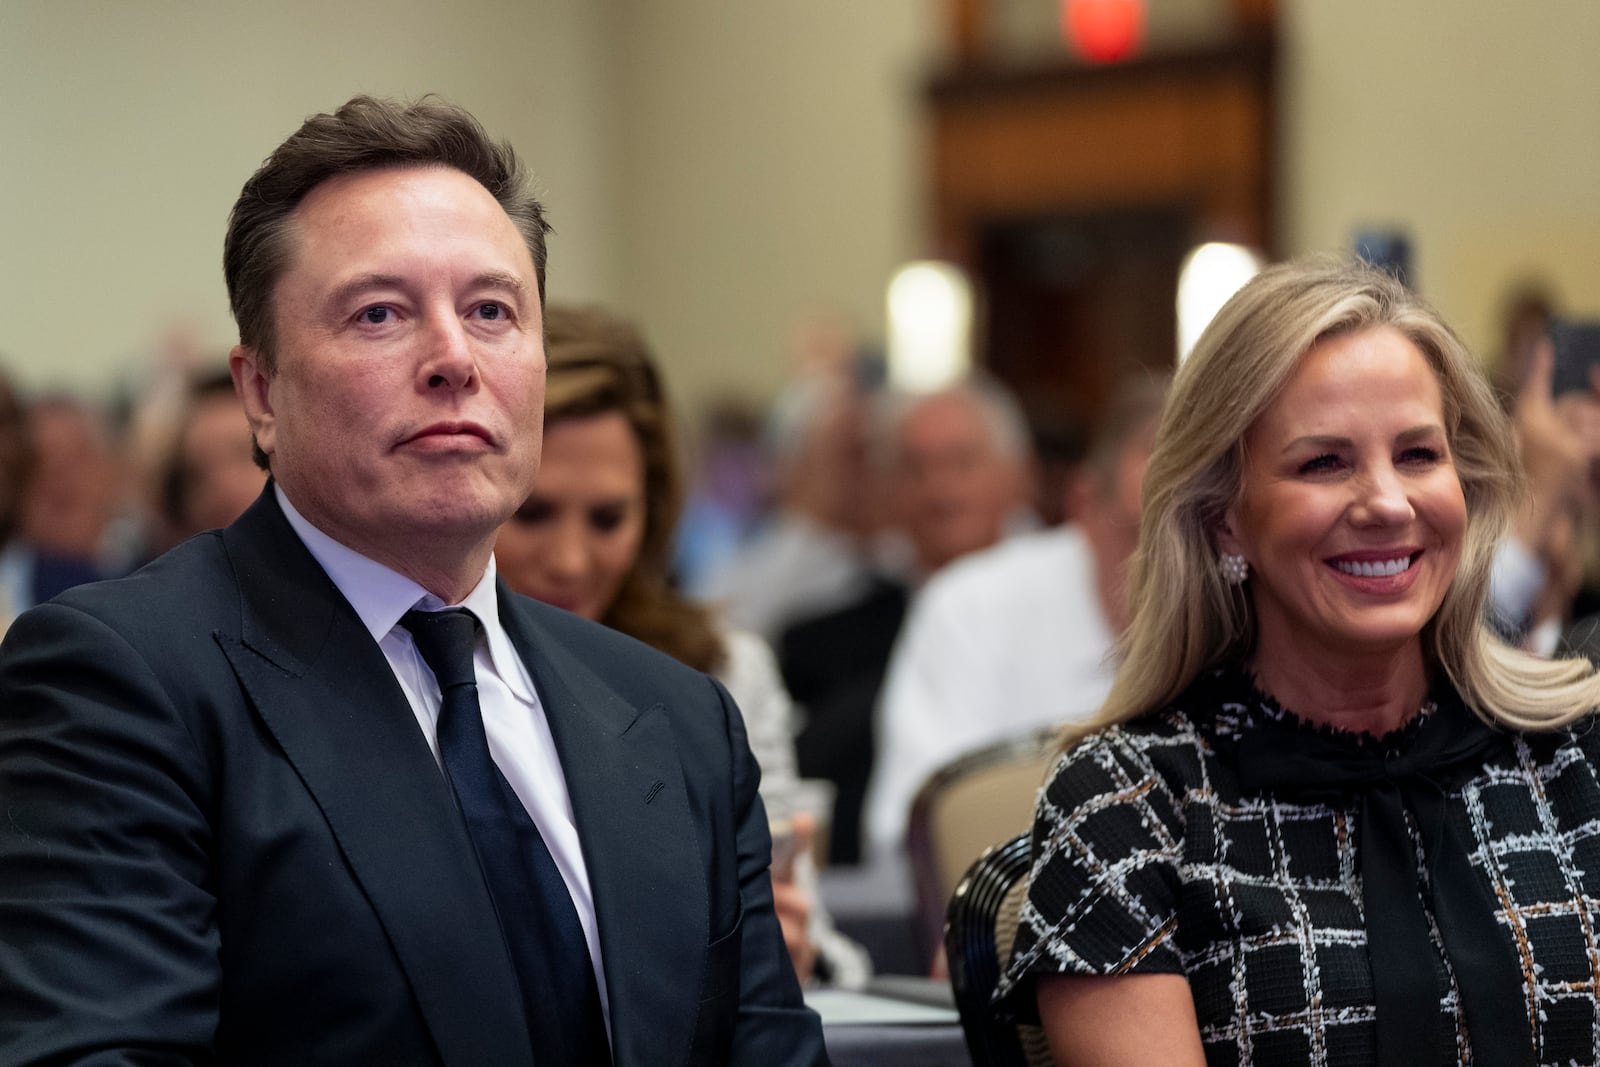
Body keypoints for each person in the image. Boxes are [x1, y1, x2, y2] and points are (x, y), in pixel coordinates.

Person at [0, 95, 826, 1066]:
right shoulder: (124, 680)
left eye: (491, 311)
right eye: (381, 312)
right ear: (260, 389)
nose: (453, 360)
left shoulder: (677, 717)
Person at [996, 256, 1600, 1065]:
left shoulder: (1574, 750)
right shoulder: (1129, 806)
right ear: (1223, 521)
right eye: (1325, 462)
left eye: (1419, 454)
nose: (1388, 502)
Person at [492, 302, 871, 988]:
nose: (571, 559)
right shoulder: (414, 662)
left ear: (655, 511)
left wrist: (797, 950)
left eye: (608, 517)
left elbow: (810, 939)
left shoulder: (718, 670)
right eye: (534, 512)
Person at [861, 374, 1164, 890]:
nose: (1177, 564)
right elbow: (907, 830)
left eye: (1199, 530)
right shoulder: (969, 605)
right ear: (1084, 505)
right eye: (1143, 533)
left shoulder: (1258, 616)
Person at [778, 377, 1035, 866]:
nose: (940, 489)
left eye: (961, 462)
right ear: (888, 489)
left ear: (1018, 476)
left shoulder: (1075, 610)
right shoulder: (822, 645)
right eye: (916, 468)